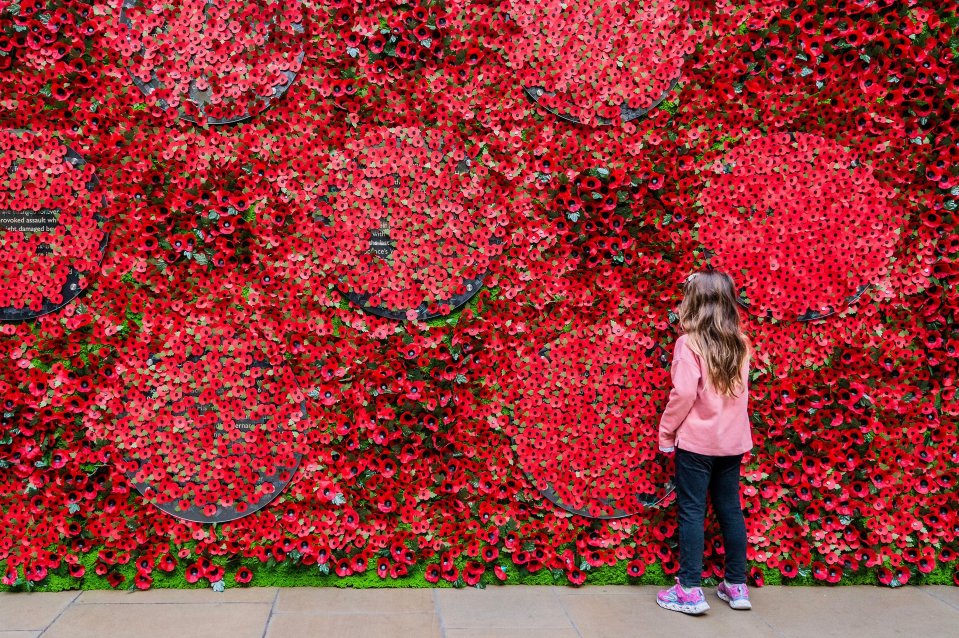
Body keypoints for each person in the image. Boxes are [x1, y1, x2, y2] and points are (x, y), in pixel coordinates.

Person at [655, 270, 753, 615]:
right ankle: (737, 586)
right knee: (730, 509)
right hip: (733, 443)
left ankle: (689, 590)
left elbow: (682, 393)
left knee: (693, 510)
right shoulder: (740, 341)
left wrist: (666, 434)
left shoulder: (689, 343)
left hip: (697, 443)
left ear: (693, 302)